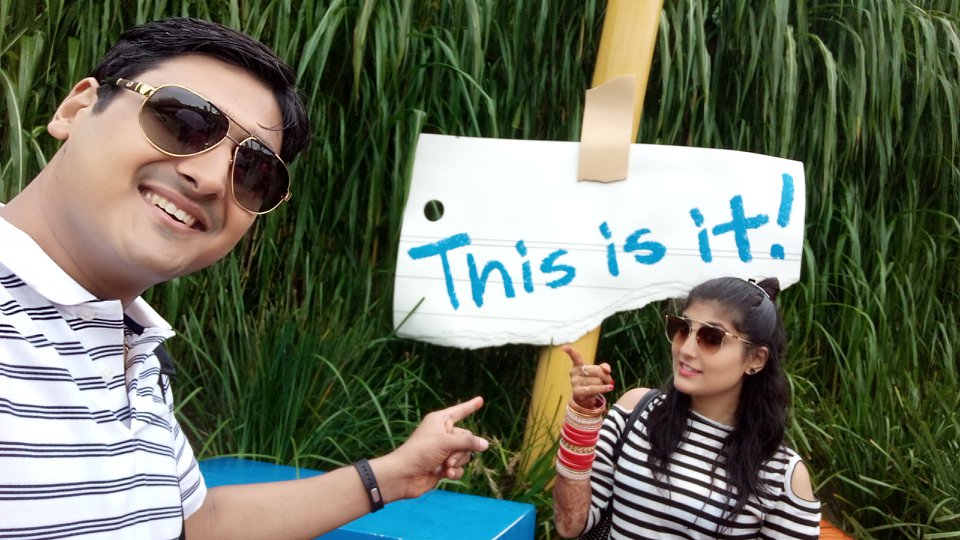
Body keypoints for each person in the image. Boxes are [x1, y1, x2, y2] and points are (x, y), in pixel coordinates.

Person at [0, 17, 488, 539]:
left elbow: (195, 524)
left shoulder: (132, 346)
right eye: (181, 120)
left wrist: (394, 475)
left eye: (253, 171)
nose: (210, 178)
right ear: (77, 109)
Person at [553, 277, 821, 538]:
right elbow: (570, 525)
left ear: (756, 359)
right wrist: (582, 415)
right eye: (682, 328)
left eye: (711, 337)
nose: (686, 350)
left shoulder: (783, 475)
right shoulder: (636, 411)